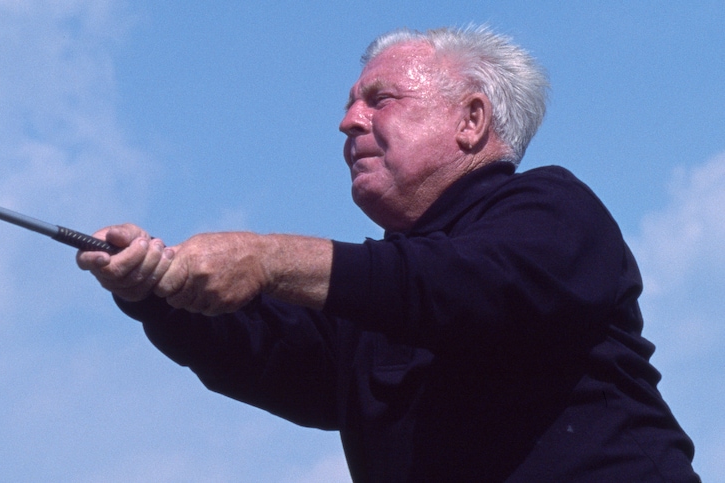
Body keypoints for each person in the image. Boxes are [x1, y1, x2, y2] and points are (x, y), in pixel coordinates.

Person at [77, 26, 700, 482]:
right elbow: (276, 355)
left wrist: (268, 258)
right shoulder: (374, 298)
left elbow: (467, 288)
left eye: (380, 100)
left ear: (471, 120)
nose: (348, 122)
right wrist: (155, 291)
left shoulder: (553, 210)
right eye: (351, 103)